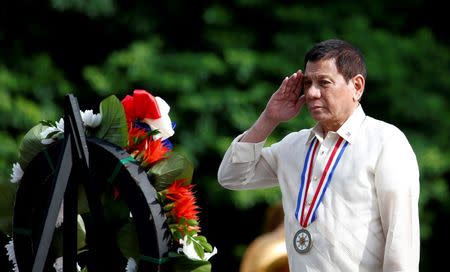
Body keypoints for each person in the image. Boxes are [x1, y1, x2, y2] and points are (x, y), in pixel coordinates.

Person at [217, 39, 420, 271]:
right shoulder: (292, 145)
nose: (312, 93)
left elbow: (401, 240)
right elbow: (231, 176)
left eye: (324, 82)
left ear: (357, 86)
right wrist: (269, 118)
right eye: (307, 83)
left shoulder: (386, 142)